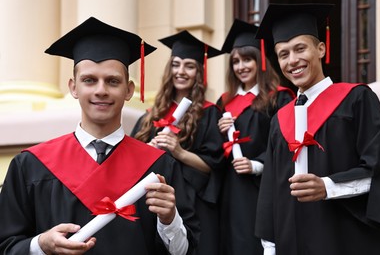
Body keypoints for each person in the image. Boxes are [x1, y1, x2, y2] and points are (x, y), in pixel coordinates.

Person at [0, 17, 200, 255]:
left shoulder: (160, 167)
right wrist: (40, 245)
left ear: (129, 90)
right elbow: (6, 246)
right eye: (89, 80)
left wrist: (170, 220)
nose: (101, 90)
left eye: (113, 81)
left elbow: (185, 251)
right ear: (74, 88)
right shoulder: (31, 165)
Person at [255, 3, 380, 255]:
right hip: (290, 242)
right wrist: (269, 246)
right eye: (283, 54)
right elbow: (270, 190)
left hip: (343, 238)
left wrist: (328, 186)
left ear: (321, 48)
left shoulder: (356, 100)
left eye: (300, 48)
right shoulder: (280, 119)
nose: (292, 60)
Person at [131, 30, 225, 255]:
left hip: (194, 203)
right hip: (154, 198)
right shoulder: (151, 115)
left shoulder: (209, 113)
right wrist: (148, 152)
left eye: (189, 66)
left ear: (199, 72)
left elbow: (214, 166)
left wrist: (179, 151)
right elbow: (131, 160)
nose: (181, 71)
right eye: (176, 64)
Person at [216, 19, 294, 255]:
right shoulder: (224, 102)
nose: (241, 67)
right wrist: (219, 131)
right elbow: (213, 151)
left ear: (260, 60)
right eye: (235, 62)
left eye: (247, 59)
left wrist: (257, 164)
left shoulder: (278, 98)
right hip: (230, 187)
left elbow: (285, 143)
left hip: (262, 185)